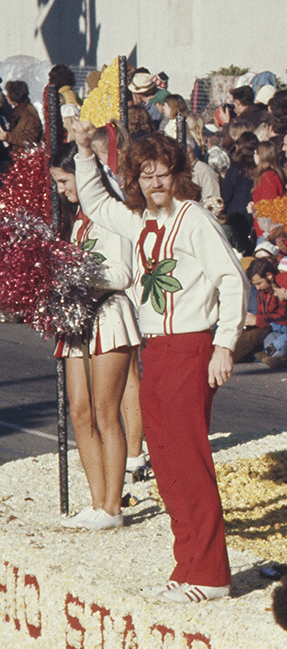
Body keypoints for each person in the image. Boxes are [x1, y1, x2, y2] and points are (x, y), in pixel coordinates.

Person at [65, 120, 245, 603]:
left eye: (163, 173)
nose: (155, 183)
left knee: (189, 459)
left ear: (177, 174)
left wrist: (224, 344)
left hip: (192, 347)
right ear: (137, 180)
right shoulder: (139, 219)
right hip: (156, 347)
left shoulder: (194, 218)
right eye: (146, 175)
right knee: (164, 462)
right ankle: (188, 568)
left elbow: (232, 280)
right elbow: (96, 204)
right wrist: (84, 151)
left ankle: (210, 575)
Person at [50, 142, 143, 531]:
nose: (61, 190)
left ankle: (112, 507)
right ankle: (95, 502)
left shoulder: (111, 212)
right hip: (78, 319)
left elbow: (123, 272)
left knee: (107, 413)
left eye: (64, 181)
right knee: (80, 412)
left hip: (109, 315)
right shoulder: (79, 220)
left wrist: (80, 279)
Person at [0, 80, 41, 150]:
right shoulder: (19, 111)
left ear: (14, 95)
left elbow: (32, 138)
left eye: (8, 94)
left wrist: (8, 137)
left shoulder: (29, 114)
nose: (6, 97)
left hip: (25, 157)